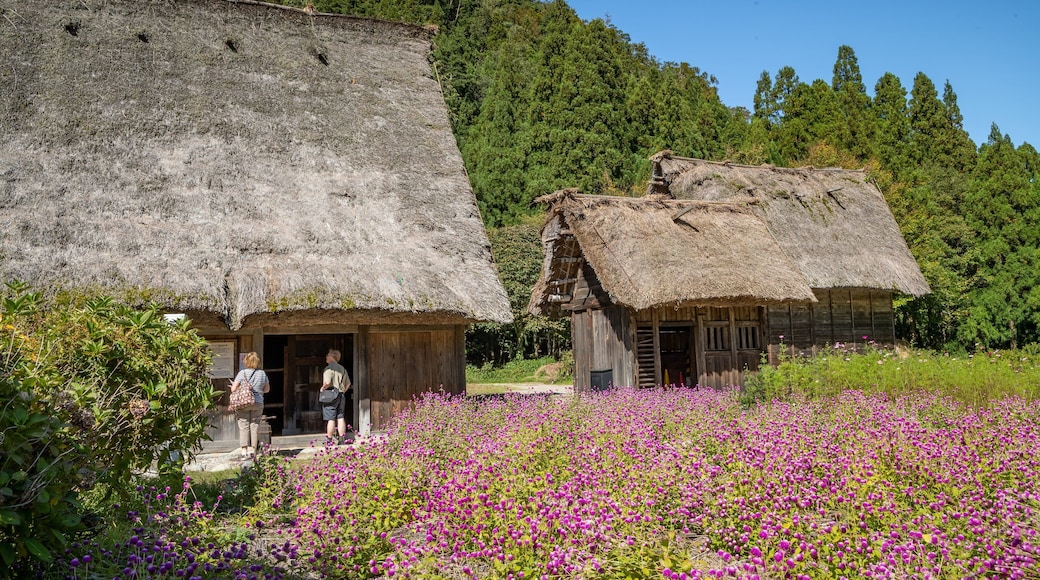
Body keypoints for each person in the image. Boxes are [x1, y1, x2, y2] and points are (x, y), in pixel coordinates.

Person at [230, 351, 270, 459]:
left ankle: (244, 451)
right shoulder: (262, 374)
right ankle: (254, 449)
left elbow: (233, 389)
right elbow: (267, 390)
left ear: (246, 361)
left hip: (243, 402)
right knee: (255, 425)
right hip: (258, 402)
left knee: (243, 425)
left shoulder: (242, 373)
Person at [320, 349, 352, 445]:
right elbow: (348, 384)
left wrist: (322, 388)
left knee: (330, 418)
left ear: (332, 357)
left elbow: (327, 382)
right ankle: (342, 440)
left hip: (331, 395)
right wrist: (342, 392)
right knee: (341, 416)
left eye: (328, 355)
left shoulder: (329, 369)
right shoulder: (342, 369)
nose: (326, 357)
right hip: (341, 394)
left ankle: (329, 440)